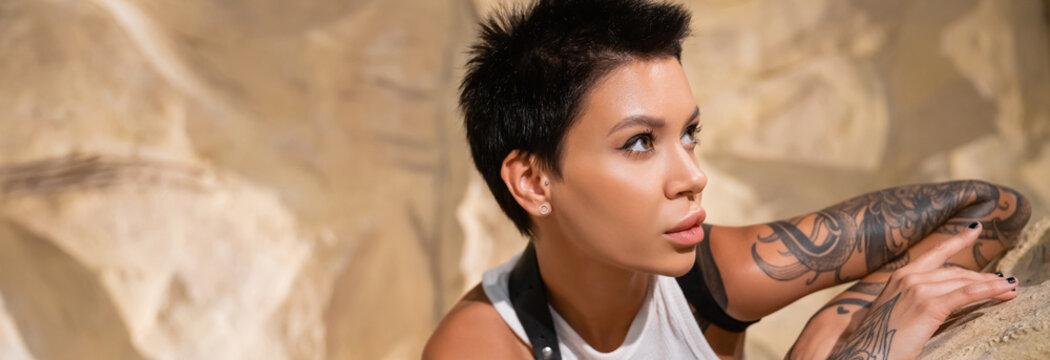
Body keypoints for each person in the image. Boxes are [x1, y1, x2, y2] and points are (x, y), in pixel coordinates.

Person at [423, 0, 1032, 358]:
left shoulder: (712, 279)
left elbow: (992, 206)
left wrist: (851, 317)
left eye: (688, 133)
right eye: (640, 143)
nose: (693, 175)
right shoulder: (484, 347)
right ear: (532, 181)